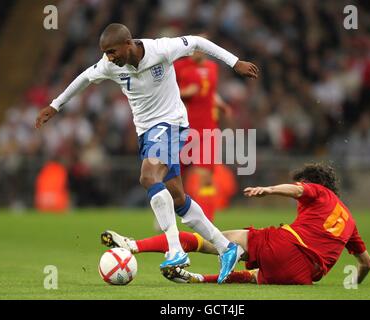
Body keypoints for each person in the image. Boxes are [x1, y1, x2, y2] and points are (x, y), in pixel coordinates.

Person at [35, 23, 259, 284]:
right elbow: (84, 77)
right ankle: (226, 247)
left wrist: (235, 63)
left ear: (128, 44)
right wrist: (55, 105)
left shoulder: (161, 49)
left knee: (148, 177)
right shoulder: (110, 65)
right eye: (105, 53)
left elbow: (198, 41)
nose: (109, 57)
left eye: (112, 51)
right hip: (147, 133)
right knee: (178, 199)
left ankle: (175, 250)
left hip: (171, 124)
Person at [112, 163, 370, 285]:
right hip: (305, 275)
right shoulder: (350, 221)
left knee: (211, 241)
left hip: (288, 245)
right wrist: (352, 284)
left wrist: (268, 189)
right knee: (254, 277)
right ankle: (197, 278)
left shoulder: (319, 192)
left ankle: (132, 245)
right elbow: (366, 263)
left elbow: (296, 191)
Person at [174, 49, 233, 222]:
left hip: (208, 130)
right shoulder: (179, 67)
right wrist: (184, 92)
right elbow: (167, 91)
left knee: (205, 176)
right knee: (176, 176)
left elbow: (211, 92)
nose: (198, 51)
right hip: (185, 128)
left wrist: (221, 105)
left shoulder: (212, 67)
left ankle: (207, 220)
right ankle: (170, 208)